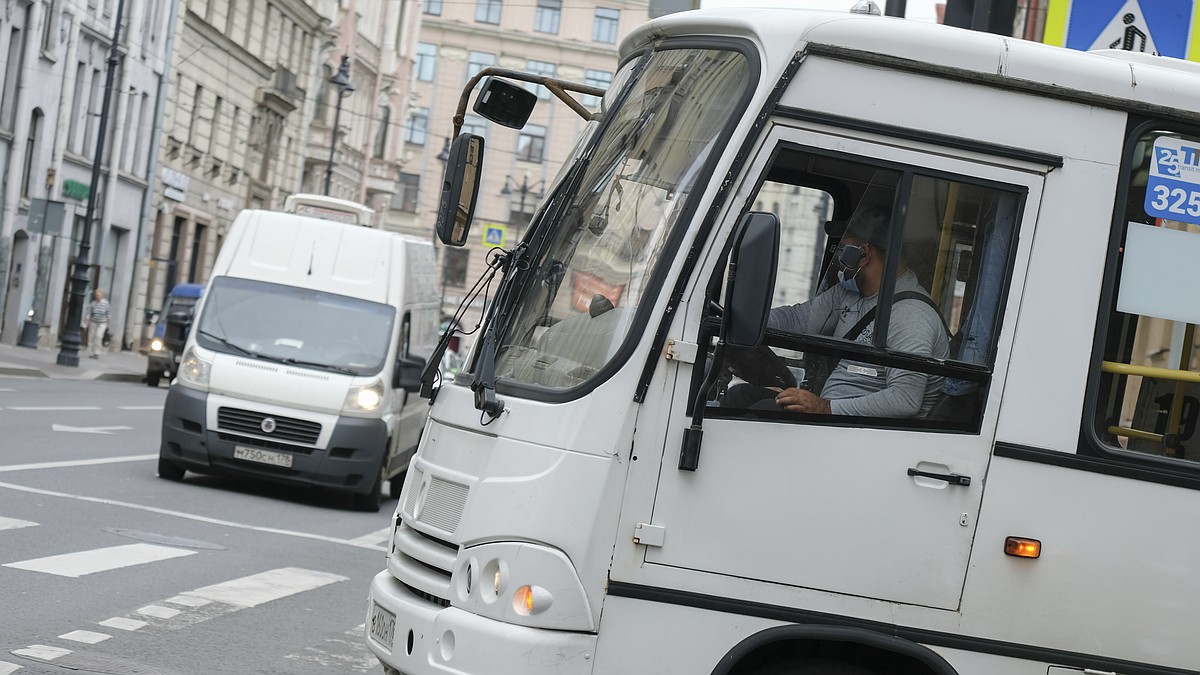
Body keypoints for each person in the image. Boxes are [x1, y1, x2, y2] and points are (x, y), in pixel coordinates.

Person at [729, 204, 949, 418]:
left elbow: (905, 400)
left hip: (862, 433)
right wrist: (738, 320)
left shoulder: (911, 316)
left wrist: (825, 407)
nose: (838, 258)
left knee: (761, 413)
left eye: (843, 249)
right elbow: (797, 319)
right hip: (832, 412)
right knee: (740, 396)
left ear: (863, 254)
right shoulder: (848, 292)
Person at [85, 289, 110, 359]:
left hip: (102, 323)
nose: (97, 297)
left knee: (98, 336)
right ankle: (91, 352)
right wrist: (86, 323)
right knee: (91, 337)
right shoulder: (93, 303)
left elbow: (108, 314)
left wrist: (108, 324)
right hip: (93, 322)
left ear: (102, 296)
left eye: (98, 295)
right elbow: (89, 313)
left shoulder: (105, 303)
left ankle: (97, 352)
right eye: (96, 295)